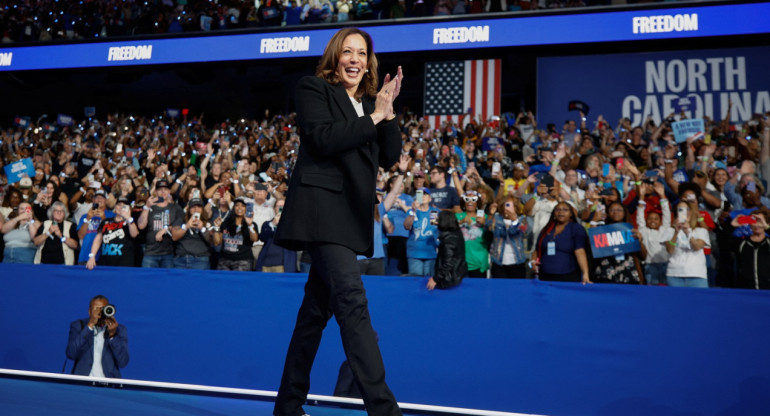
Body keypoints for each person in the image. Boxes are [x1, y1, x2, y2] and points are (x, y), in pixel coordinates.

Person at [273, 27, 403, 416]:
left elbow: (389, 157)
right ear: (335, 56)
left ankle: (287, 407)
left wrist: (387, 111)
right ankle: (385, 411)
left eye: (361, 54)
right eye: (347, 52)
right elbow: (322, 138)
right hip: (321, 214)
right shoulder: (314, 89)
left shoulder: (371, 104)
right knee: (352, 302)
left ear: (368, 63)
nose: (354, 59)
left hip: (351, 218)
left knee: (313, 316)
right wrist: (374, 116)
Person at [66, 295, 129, 378]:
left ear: (108, 310)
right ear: (89, 311)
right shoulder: (78, 326)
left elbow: (123, 362)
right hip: (82, 383)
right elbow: (71, 354)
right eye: (96, 309)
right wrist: (89, 326)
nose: (100, 312)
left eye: (103, 309)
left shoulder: (119, 329)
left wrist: (113, 336)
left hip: (108, 385)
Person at [534, 201, 590, 283]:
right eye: (557, 210)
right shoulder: (546, 229)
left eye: (565, 210)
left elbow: (580, 251)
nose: (561, 212)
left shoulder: (576, 228)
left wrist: (585, 273)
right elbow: (536, 249)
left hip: (568, 277)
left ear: (571, 214)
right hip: (544, 276)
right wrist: (532, 262)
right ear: (554, 213)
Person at [137, 179, 185, 268]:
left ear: (169, 191)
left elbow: (179, 224)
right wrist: (147, 207)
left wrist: (165, 229)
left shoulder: (176, 207)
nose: (163, 191)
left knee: (167, 282)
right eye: (160, 189)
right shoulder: (149, 207)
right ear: (156, 192)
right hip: (150, 253)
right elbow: (141, 226)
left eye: (165, 189)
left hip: (168, 253)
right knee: (147, 281)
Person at [665, 200, 711, 288]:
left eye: (687, 209)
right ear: (676, 212)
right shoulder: (670, 231)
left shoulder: (701, 231)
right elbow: (670, 250)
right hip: (675, 275)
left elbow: (697, 247)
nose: (684, 212)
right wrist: (676, 233)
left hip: (697, 275)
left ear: (691, 212)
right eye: (680, 209)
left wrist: (687, 232)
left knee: (700, 301)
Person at [85, 198, 139, 269]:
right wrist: (92, 256)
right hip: (105, 263)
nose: (121, 207)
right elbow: (98, 239)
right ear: (115, 207)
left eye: (124, 206)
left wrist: (128, 218)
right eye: (119, 205)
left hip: (124, 264)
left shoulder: (131, 222)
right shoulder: (105, 221)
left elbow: (134, 234)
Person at [487, 196, 530, 278]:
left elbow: (518, 232)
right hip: (498, 262)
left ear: (516, 206)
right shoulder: (496, 218)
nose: (508, 208)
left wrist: (514, 221)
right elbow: (489, 229)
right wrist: (490, 214)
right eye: (506, 205)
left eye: (511, 205)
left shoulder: (522, 219)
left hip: (517, 262)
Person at [212, 196, 257, 271]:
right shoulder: (225, 223)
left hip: (243, 261)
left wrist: (249, 225)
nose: (239, 208)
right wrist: (217, 227)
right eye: (237, 205)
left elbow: (254, 239)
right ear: (233, 208)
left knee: (240, 283)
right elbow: (217, 243)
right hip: (224, 260)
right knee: (222, 282)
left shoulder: (251, 224)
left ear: (246, 208)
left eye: (243, 206)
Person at [404, 188, 440, 276]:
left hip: (430, 252)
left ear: (430, 198)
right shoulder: (412, 211)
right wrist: (413, 211)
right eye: (420, 194)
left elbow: (434, 229)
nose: (423, 196)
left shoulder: (434, 212)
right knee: (415, 281)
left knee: (429, 282)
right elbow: (407, 226)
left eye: (425, 194)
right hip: (415, 253)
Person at [172, 198, 216, 270]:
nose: (196, 209)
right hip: (181, 260)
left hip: (201, 261)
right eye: (193, 207)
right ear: (189, 209)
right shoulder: (181, 220)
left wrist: (202, 228)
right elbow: (174, 237)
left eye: (199, 207)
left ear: (202, 209)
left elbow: (212, 241)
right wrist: (186, 226)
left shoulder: (207, 222)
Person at [428, 210, 466, 290]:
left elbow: (449, 262)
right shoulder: (457, 233)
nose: (437, 222)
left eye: (439, 220)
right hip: (457, 274)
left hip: (448, 279)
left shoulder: (449, 239)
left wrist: (436, 278)